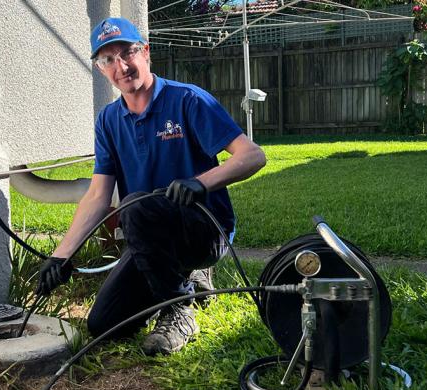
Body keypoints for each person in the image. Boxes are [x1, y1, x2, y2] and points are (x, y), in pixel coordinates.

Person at [35, 17, 266, 356]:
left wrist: (199, 183)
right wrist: (61, 255)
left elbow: (253, 156)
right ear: (101, 69)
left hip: (204, 229)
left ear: (146, 53)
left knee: (138, 205)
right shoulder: (108, 121)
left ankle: (178, 311)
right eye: (108, 59)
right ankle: (187, 279)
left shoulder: (187, 100)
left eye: (128, 52)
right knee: (104, 325)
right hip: (150, 236)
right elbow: (98, 195)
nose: (121, 66)